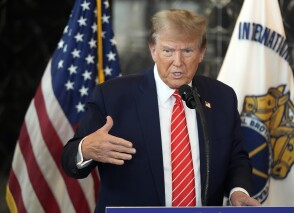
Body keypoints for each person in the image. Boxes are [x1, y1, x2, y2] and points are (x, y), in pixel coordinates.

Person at [61, 8, 260, 212]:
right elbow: (69, 160)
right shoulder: (113, 97)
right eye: (168, 51)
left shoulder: (222, 98)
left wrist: (238, 191)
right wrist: (85, 149)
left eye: (187, 51)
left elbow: (236, 158)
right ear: (153, 50)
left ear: (201, 53)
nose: (178, 62)